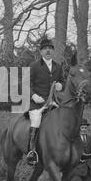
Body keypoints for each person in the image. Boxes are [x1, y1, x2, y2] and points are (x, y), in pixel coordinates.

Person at [27, 35, 64, 166]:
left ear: (52, 51)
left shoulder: (58, 67)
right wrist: (33, 96)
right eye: (45, 49)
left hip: (53, 102)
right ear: (41, 52)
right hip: (38, 104)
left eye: (50, 49)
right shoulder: (34, 65)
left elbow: (62, 81)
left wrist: (60, 85)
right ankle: (32, 152)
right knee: (36, 121)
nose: (48, 51)